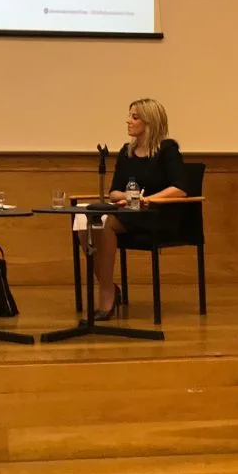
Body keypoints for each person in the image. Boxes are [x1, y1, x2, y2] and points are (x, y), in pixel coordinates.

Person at [85, 98, 187, 320]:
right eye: (129, 115)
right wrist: (127, 197)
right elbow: (114, 191)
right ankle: (109, 286)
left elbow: (179, 188)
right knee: (85, 226)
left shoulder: (167, 149)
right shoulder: (126, 151)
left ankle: (106, 296)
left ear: (149, 121)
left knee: (107, 224)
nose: (128, 121)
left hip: (158, 215)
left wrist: (147, 200)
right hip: (130, 212)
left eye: (134, 116)